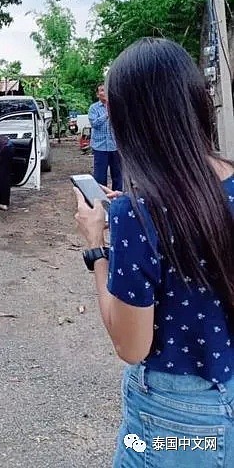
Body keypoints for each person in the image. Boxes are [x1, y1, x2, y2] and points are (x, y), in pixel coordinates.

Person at [73, 38, 234, 467]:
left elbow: (131, 346)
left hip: (176, 427)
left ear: (128, 119)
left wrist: (97, 247)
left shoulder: (135, 216)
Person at [88, 82, 122, 191]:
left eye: (106, 89)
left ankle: (117, 199)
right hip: (100, 147)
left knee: (118, 176)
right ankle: (101, 199)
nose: (105, 92)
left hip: (115, 146)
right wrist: (107, 113)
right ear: (98, 94)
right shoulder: (94, 108)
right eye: (102, 90)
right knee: (100, 177)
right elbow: (94, 124)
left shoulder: (117, 106)